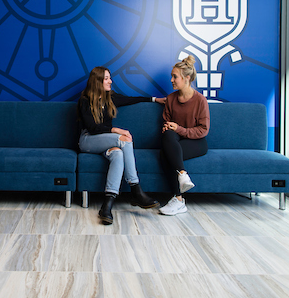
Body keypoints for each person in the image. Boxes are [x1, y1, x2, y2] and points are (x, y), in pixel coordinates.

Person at [77, 66, 165, 225]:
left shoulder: (110, 97)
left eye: (110, 78)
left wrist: (154, 99)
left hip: (105, 142)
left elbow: (131, 99)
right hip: (88, 140)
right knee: (124, 139)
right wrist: (115, 130)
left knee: (118, 154)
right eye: (106, 78)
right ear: (97, 81)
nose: (110, 81)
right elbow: (92, 127)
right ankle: (136, 189)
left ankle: (107, 205)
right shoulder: (85, 99)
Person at [158, 55, 209, 216]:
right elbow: (166, 123)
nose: (171, 80)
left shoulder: (200, 100)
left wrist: (179, 129)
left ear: (187, 78)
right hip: (175, 140)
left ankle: (178, 200)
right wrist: (169, 127)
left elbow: (203, 130)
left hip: (197, 142)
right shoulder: (171, 99)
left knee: (165, 155)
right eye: (171, 76)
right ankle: (182, 177)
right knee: (167, 138)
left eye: (175, 77)